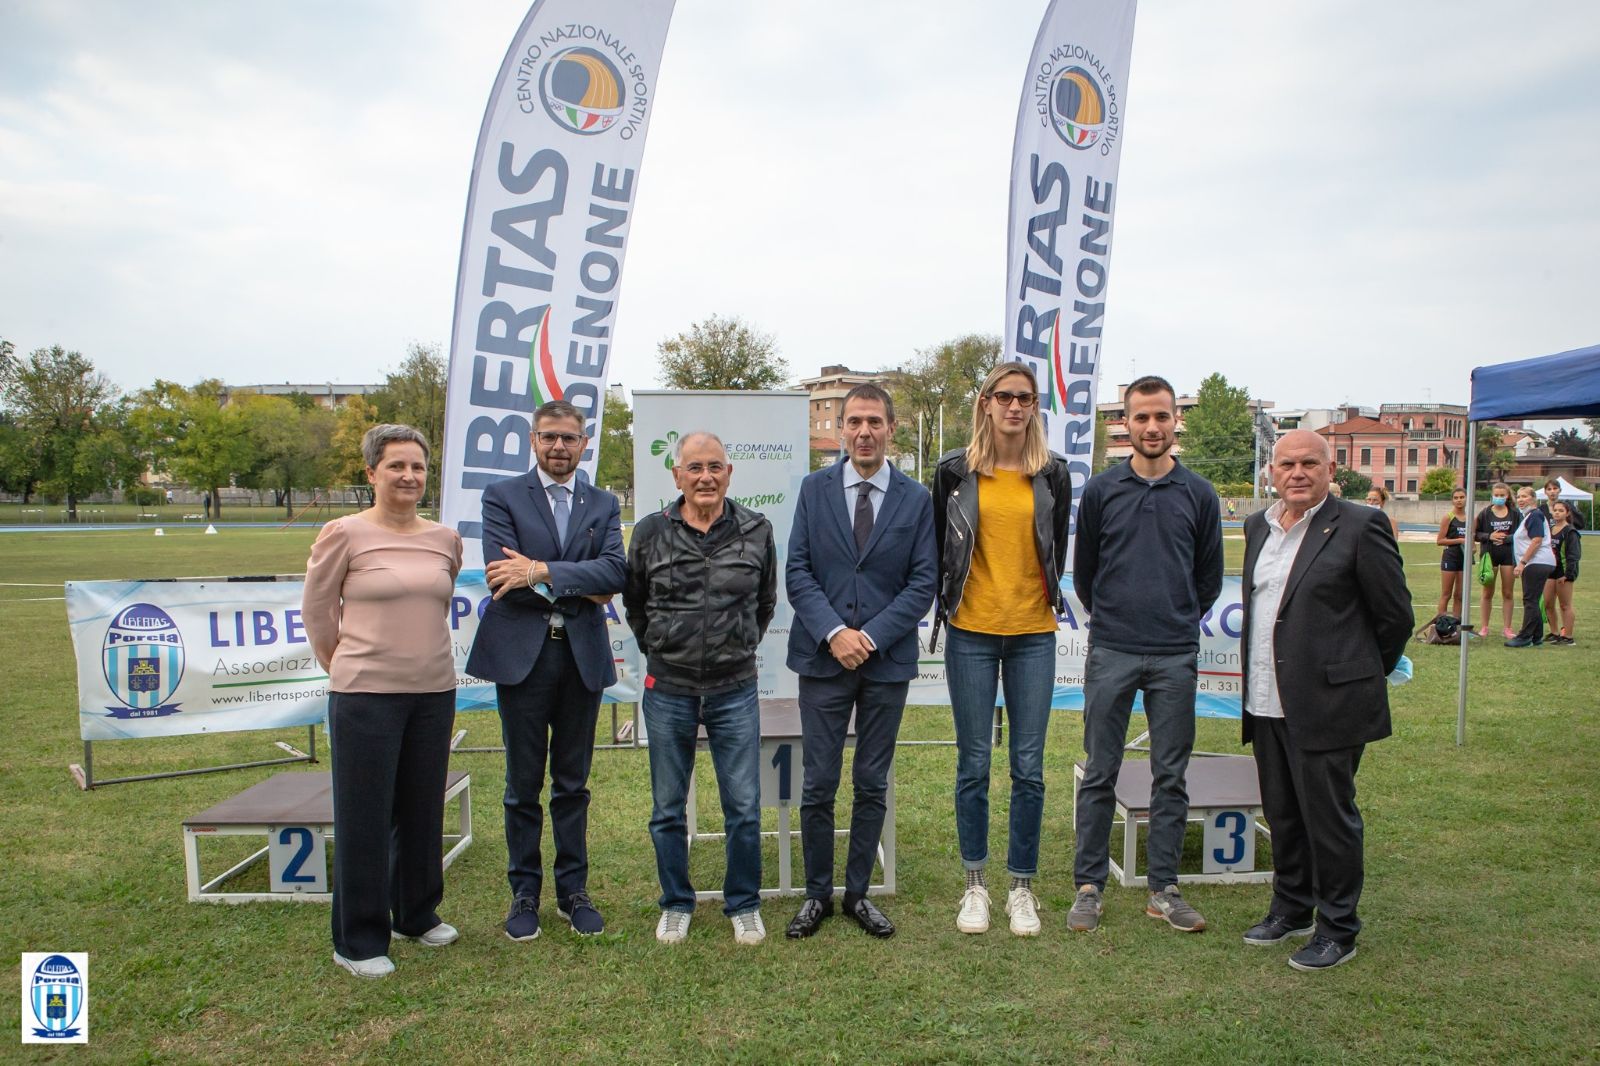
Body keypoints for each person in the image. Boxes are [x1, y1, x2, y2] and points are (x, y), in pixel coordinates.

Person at [1239, 429, 1412, 971]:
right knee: (1283, 813)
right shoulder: (1257, 527)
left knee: (1328, 819)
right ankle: (1291, 907)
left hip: (1329, 703)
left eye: (1309, 463)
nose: (1297, 473)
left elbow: (1395, 617)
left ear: (1330, 470)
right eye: (1286, 464)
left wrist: (1354, 676)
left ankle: (1338, 928)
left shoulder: (1361, 525)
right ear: (1271, 471)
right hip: (1266, 699)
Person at [302, 424, 464, 979]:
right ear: (371, 472)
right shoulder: (343, 534)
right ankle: (357, 940)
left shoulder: (445, 539)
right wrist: (348, 665)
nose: (409, 476)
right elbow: (318, 613)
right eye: (396, 465)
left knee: (421, 809)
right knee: (365, 816)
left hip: (434, 691)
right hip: (365, 694)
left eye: (418, 467)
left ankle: (415, 915)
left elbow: (435, 605)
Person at [1068, 375, 1225, 934]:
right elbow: (1085, 575)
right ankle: (1089, 887)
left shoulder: (1199, 494)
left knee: (1170, 774)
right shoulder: (1101, 492)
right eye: (1142, 417)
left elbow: (1208, 578)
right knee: (1099, 771)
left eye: (1161, 416)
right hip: (1112, 649)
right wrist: (1118, 618)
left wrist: (1175, 618)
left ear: (1175, 420)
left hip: (1174, 654)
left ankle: (1164, 888)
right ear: (1126, 423)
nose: (1152, 427)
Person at [465, 401, 626, 941]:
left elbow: (615, 574)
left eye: (569, 438)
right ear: (533, 440)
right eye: (549, 436)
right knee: (522, 784)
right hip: (523, 658)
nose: (559, 446)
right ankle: (524, 893)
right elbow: (501, 578)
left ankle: (573, 891)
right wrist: (579, 581)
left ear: (584, 443)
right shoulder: (502, 496)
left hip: (581, 657)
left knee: (572, 784)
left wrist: (538, 569)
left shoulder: (603, 503)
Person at [783, 384, 937, 940]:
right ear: (842, 429)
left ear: (891, 428)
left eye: (875, 421)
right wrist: (834, 634)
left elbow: (923, 583)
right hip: (822, 659)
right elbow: (798, 570)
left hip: (885, 662)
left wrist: (867, 637)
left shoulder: (916, 499)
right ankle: (817, 895)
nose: (864, 432)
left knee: (872, 781)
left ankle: (857, 894)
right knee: (819, 783)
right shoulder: (813, 489)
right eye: (854, 422)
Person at [931, 362, 1071, 936]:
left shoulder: (1053, 474)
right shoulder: (954, 471)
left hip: (1034, 635)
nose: (1015, 406)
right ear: (985, 402)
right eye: (1004, 396)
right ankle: (975, 885)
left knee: (1028, 768)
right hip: (971, 632)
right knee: (974, 764)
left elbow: (1055, 549)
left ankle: (1021, 888)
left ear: (1035, 407)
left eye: (1025, 398)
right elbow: (940, 549)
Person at [623, 432, 777, 945]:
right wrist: (663, 645)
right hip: (669, 688)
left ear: (729, 473)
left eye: (714, 467)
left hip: (735, 688)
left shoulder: (756, 529)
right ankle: (675, 902)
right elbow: (636, 604)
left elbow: (765, 604)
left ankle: (744, 903)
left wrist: (739, 643)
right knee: (668, 808)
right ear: (677, 476)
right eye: (694, 468)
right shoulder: (650, 532)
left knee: (744, 807)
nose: (705, 477)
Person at [1505, 486, 1556, 647]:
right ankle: (1536, 636)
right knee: (1533, 599)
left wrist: (1522, 563)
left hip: (1537, 562)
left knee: (1530, 600)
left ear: (1533, 498)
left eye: (1524, 496)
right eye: (1518, 497)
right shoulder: (1528, 517)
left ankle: (1525, 636)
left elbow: (1536, 540)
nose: (1520, 500)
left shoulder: (1535, 515)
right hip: (1538, 563)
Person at [1474, 482, 1520, 638]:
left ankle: (1507, 628)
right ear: (1492, 496)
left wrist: (1507, 539)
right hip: (1489, 556)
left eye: (1502, 495)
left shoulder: (1514, 513)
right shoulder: (1485, 513)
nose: (1499, 497)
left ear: (1507, 496)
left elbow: (1521, 534)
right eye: (1496, 495)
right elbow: (1475, 534)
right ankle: (1484, 627)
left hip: (1508, 556)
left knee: (1508, 592)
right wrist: (1489, 536)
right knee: (1487, 592)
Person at [1545, 499, 1581, 645]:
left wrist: (1568, 574)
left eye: (1561, 510)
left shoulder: (1570, 531)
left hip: (1563, 573)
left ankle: (1568, 637)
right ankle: (1554, 633)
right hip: (1550, 571)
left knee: (1565, 605)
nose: (1557, 513)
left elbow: (1574, 555)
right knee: (1548, 603)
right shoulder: (1549, 529)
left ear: (1567, 513)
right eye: (1555, 510)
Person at [1435, 488, 1468, 620]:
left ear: (1466, 499)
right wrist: (1459, 540)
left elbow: (1472, 539)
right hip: (1450, 557)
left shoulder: (1470, 518)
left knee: (1459, 594)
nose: (1459, 500)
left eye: (1462, 497)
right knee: (1446, 594)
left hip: (1464, 558)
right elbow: (1440, 541)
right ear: (1452, 500)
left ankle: (1456, 623)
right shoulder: (1448, 517)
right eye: (1456, 498)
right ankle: (1441, 623)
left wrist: (1472, 547)